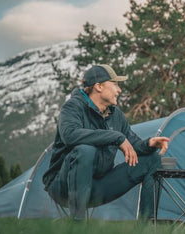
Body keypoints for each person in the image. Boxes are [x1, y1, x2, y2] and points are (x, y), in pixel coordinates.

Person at [42, 64, 170, 220]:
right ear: (99, 86)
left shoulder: (116, 116)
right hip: (64, 186)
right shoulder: (73, 107)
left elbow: (133, 145)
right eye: (115, 84)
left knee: (152, 159)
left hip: (98, 185)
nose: (119, 90)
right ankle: (78, 225)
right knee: (85, 150)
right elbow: (70, 135)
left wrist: (150, 143)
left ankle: (146, 225)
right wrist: (116, 137)